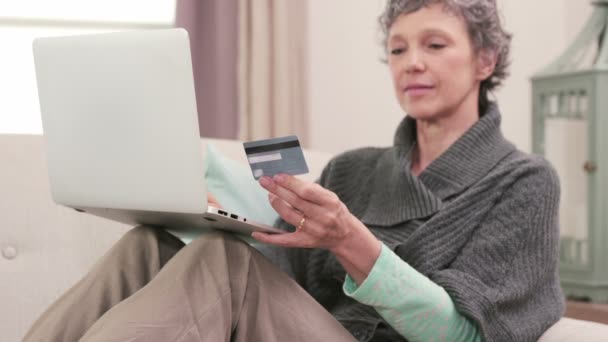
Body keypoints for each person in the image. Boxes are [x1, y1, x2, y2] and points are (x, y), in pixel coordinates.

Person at [24, 0, 565, 341]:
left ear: (485, 61)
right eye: (398, 49)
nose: (412, 63)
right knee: (150, 242)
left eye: (434, 45)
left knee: (222, 262)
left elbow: (463, 335)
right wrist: (200, 211)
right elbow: (275, 283)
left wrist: (352, 240)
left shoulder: (524, 182)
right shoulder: (354, 170)